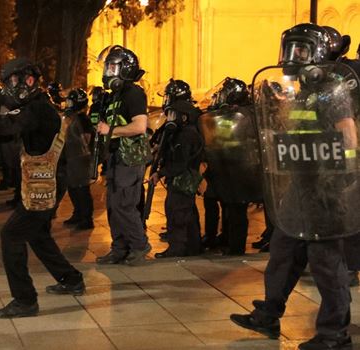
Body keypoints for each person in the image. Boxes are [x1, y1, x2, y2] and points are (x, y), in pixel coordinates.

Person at [230, 23, 358, 350]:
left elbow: (348, 137)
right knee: (284, 251)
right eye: (292, 48)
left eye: (301, 49)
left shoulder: (331, 88)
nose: (294, 56)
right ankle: (268, 314)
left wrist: (337, 175)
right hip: (301, 186)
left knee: (326, 264)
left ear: (319, 52)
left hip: (326, 189)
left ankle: (334, 335)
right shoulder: (305, 91)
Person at [0, 58, 85, 318]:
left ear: (29, 80)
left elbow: (10, 126)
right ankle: (71, 279)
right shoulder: (35, 106)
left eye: (13, 80)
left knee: (11, 234)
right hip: (46, 180)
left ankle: (25, 300)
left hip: (47, 181)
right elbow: (6, 130)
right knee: (37, 234)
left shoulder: (37, 108)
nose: (10, 87)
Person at [94, 45, 151, 266]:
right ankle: (119, 249)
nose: (107, 71)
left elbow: (139, 126)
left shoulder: (134, 93)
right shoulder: (114, 95)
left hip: (130, 157)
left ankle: (139, 245)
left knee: (124, 205)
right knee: (113, 206)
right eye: (107, 66)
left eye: (112, 66)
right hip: (116, 158)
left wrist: (111, 131)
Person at [200, 77, 261, 255]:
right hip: (229, 168)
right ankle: (227, 239)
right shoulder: (234, 114)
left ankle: (236, 248)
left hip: (241, 170)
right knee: (229, 208)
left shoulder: (242, 116)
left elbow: (227, 137)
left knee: (237, 212)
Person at [150, 79, 203, 258]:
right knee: (187, 213)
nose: (170, 118)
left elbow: (180, 162)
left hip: (183, 177)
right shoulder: (184, 129)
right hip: (184, 175)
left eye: (173, 114)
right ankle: (193, 247)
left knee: (177, 212)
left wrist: (161, 172)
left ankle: (178, 248)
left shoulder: (186, 133)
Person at [325, 26, 360, 287]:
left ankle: (349, 267)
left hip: (350, 155)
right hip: (345, 153)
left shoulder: (349, 75)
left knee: (349, 212)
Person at [61, 88, 94, 230]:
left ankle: (86, 219)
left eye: (69, 101)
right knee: (73, 188)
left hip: (80, 160)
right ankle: (78, 213)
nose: (67, 104)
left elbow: (86, 140)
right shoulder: (72, 118)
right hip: (71, 158)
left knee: (82, 190)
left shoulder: (83, 119)